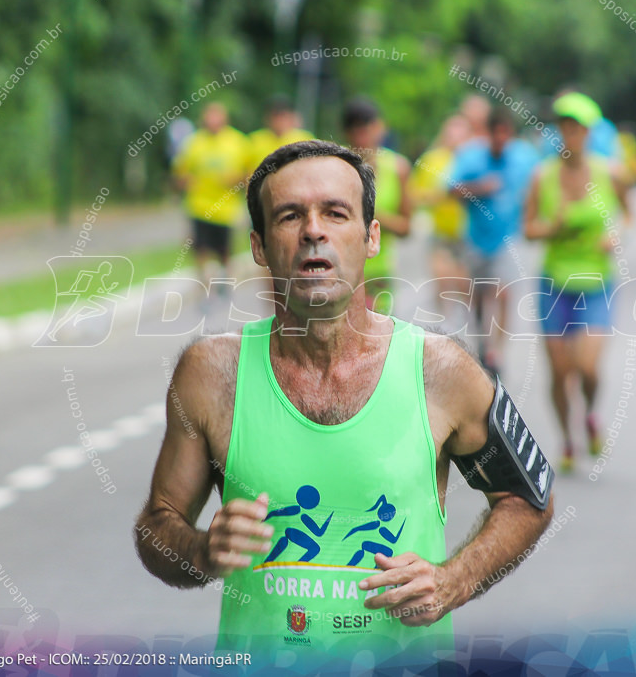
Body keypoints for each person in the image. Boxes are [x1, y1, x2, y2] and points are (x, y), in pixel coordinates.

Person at [135, 140, 554, 668]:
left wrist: (454, 581)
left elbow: (528, 497)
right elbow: (158, 524)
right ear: (259, 246)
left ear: (370, 236)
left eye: (336, 213)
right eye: (290, 216)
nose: (314, 230)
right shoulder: (212, 373)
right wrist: (200, 550)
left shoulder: (439, 369)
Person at [524, 93, 631, 473]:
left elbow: (629, 215)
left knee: (586, 368)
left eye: (578, 127)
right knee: (559, 372)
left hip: (597, 281)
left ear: (589, 132)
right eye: (564, 126)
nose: (571, 134)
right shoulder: (543, 176)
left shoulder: (611, 173)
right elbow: (528, 229)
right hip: (555, 283)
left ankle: (589, 416)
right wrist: (550, 226)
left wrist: (616, 235)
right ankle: (567, 439)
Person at [451, 107, 540, 375]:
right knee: (478, 296)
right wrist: (480, 188)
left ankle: (495, 352)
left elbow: (540, 184)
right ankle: (482, 339)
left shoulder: (524, 158)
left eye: (505, 133)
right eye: (496, 133)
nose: (501, 138)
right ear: (488, 133)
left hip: (507, 239)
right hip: (476, 238)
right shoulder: (471, 156)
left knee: (502, 291)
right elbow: (450, 189)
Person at [342, 97, 412, 312]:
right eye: (356, 131)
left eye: (368, 129)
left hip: (378, 272)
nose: (363, 138)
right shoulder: (336, 167)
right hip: (342, 269)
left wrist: (369, 214)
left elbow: (406, 228)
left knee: (376, 339)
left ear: (381, 128)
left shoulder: (398, 168)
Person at [172, 102, 248, 285]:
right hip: (199, 206)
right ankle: (204, 285)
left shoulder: (238, 142)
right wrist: (185, 182)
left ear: (225, 119)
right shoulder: (193, 143)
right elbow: (179, 174)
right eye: (209, 117)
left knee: (224, 251)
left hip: (225, 209)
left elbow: (250, 174)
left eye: (217, 117)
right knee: (200, 249)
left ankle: (225, 281)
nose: (213, 121)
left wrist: (236, 179)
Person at [409, 115, 471, 331]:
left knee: (464, 280)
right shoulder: (432, 160)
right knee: (441, 274)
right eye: (452, 132)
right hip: (440, 230)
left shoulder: (472, 158)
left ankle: (466, 316)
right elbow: (415, 193)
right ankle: (445, 319)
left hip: (468, 232)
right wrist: (436, 197)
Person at [246, 95, 313, 173]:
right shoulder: (254, 139)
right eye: (275, 116)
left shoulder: (305, 139)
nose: (279, 122)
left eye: (283, 116)